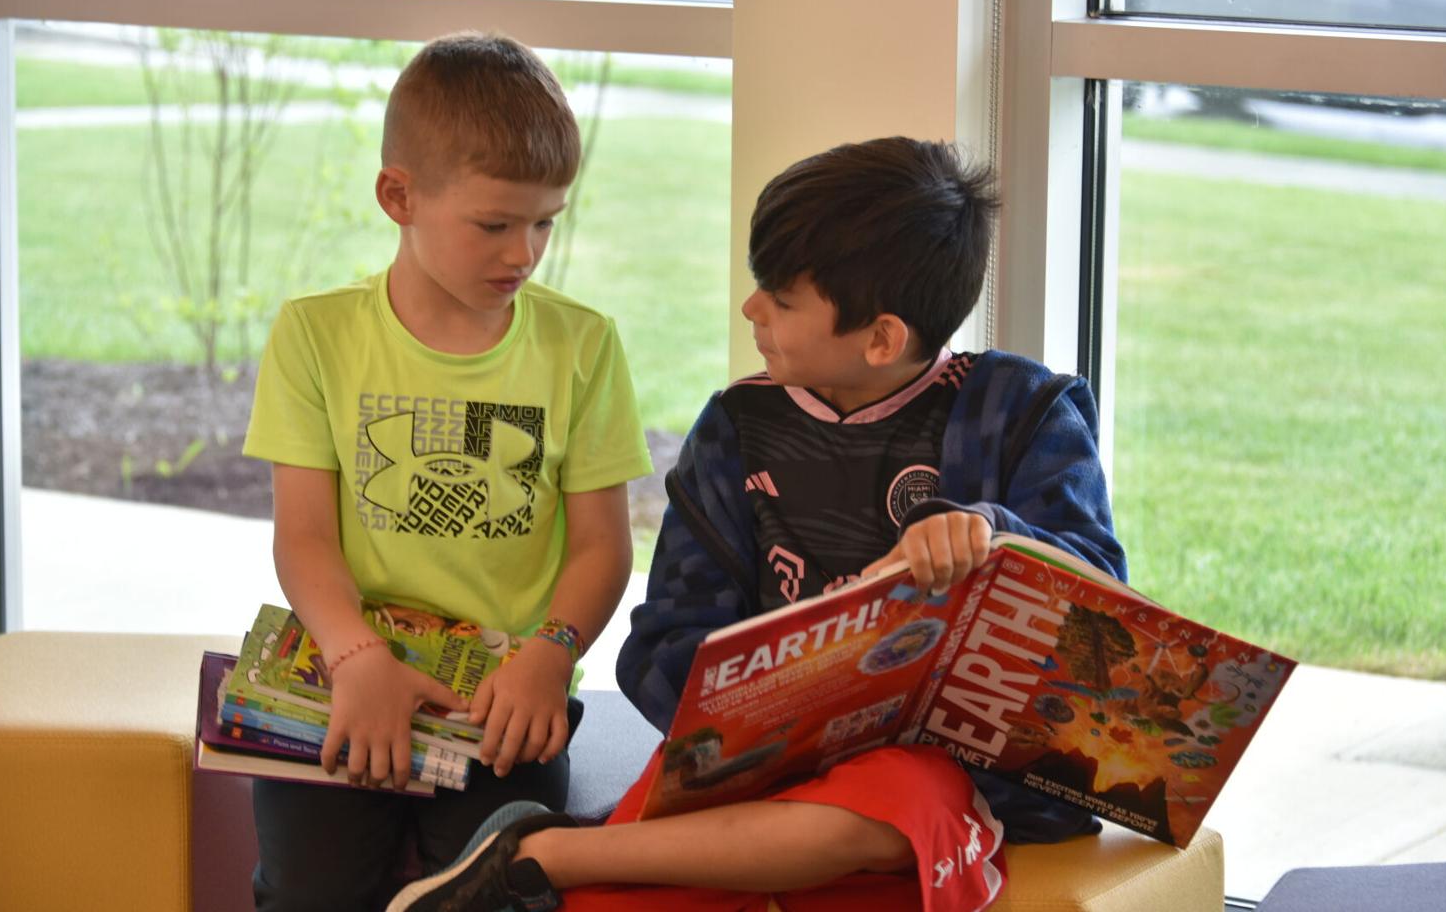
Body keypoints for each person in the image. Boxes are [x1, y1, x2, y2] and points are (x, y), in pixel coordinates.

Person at [386, 137, 1127, 912]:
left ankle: (549, 850)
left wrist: (990, 531)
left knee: (890, 808)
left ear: (881, 338)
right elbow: (665, 637)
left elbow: (1103, 600)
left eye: (780, 297)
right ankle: (557, 863)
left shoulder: (1025, 414)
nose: (750, 308)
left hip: (937, 782)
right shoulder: (737, 428)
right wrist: (753, 729)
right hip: (755, 776)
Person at [241, 30, 653, 911]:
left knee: (498, 891)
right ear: (400, 195)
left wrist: (552, 654)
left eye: (546, 222)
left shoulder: (582, 345)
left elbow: (601, 550)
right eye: (495, 225)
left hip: (503, 706)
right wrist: (356, 660)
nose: (525, 253)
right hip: (347, 680)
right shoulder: (318, 335)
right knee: (307, 889)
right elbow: (305, 534)